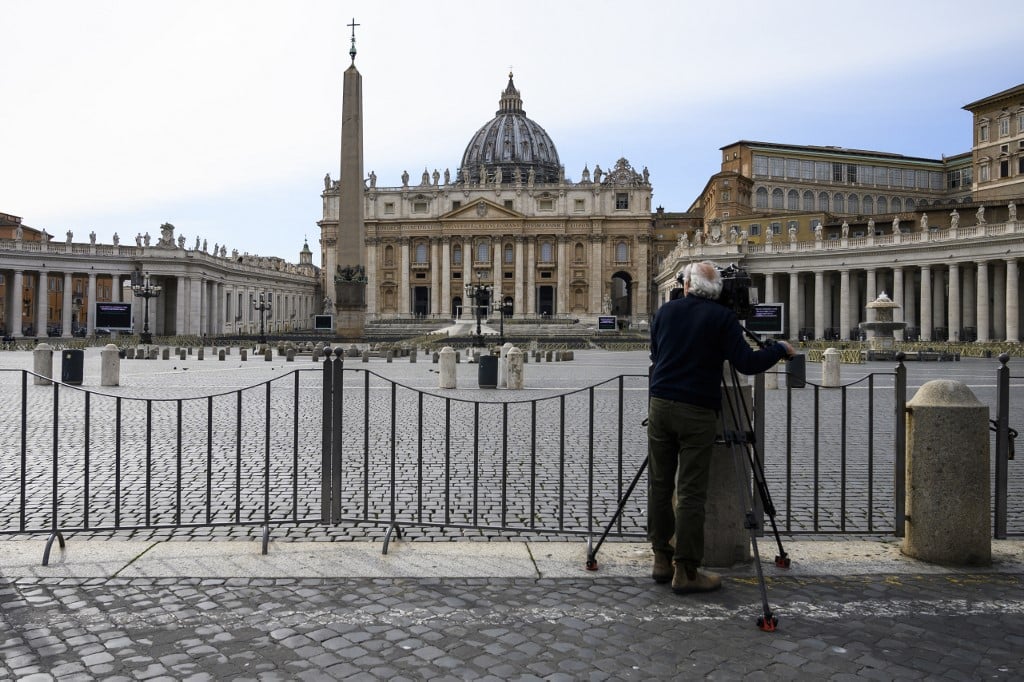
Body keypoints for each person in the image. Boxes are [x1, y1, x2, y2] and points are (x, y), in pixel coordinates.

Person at [647, 261, 794, 594]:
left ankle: (660, 557)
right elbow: (746, 362)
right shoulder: (723, 319)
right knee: (690, 493)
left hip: (659, 406)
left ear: (687, 286)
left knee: (659, 484)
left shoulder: (664, 314)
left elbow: (656, 353)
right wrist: (778, 350)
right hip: (696, 409)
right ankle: (685, 571)